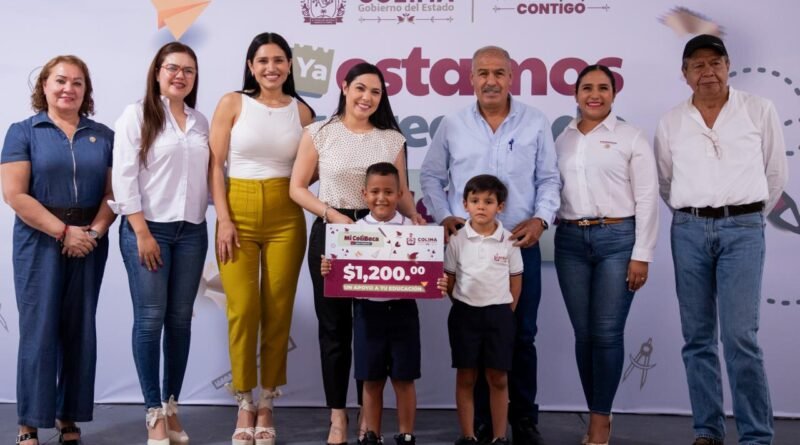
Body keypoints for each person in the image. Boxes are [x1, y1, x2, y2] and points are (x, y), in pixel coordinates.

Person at [420, 46, 560, 445]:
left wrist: (541, 219)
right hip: (468, 250)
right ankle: (481, 422)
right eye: (483, 73)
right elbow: (430, 176)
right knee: (476, 340)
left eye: (499, 73)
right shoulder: (453, 124)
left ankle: (524, 419)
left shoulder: (535, 121)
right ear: (471, 78)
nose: (491, 81)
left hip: (518, 244)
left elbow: (549, 179)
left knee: (522, 334)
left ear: (512, 77)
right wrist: (444, 215)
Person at [654, 34, 788, 445]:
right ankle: (707, 431)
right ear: (684, 74)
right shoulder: (671, 121)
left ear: (728, 66)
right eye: (698, 65)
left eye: (715, 63)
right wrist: (697, 213)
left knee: (740, 337)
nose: (707, 72)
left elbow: (775, 174)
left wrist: (744, 216)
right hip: (689, 230)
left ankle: (756, 435)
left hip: (743, 229)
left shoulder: (759, 109)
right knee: (697, 338)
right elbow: (666, 181)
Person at [290, 62, 426, 445]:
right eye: (361, 88)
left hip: (379, 236)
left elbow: (401, 192)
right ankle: (338, 415)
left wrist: (416, 219)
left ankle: (369, 416)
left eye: (376, 92)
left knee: (372, 327)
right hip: (332, 232)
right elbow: (297, 188)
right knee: (334, 329)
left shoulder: (391, 139)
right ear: (345, 87)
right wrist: (333, 216)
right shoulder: (319, 132)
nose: (367, 97)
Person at [1, 55, 115, 445]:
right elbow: (15, 195)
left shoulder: (104, 135)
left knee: (79, 329)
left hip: (90, 241)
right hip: (39, 239)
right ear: (45, 86)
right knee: (39, 330)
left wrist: (93, 233)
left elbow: (112, 194)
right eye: (61, 81)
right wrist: (64, 232)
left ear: (86, 91)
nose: (69, 88)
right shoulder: (23, 132)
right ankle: (29, 424)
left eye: (78, 82)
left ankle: (68, 416)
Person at [208, 32, 315, 445]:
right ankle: (244, 400)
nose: (271, 67)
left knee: (277, 309)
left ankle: (268, 401)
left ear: (289, 65)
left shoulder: (302, 112)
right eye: (263, 61)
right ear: (251, 66)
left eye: (279, 60)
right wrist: (224, 218)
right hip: (238, 210)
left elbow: (310, 169)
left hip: (287, 216)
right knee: (242, 309)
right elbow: (215, 165)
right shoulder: (232, 103)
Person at [109, 42, 208, 445]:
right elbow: (123, 177)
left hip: (192, 231)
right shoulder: (136, 115)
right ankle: (152, 413)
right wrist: (141, 232)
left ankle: (171, 408)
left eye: (188, 70)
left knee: (180, 321)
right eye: (172, 68)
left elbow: (208, 178)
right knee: (150, 319)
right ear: (157, 72)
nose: (180, 76)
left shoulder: (200, 121)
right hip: (148, 229)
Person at [553, 64, 658, 445]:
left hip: (618, 240)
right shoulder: (562, 139)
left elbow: (647, 197)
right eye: (586, 88)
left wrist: (642, 254)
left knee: (607, 333)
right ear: (576, 94)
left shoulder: (631, 137)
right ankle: (597, 409)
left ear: (614, 94)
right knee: (583, 335)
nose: (594, 95)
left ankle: (600, 422)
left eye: (602, 88)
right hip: (570, 241)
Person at [320, 162, 446, 445]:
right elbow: (340, 274)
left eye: (389, 192)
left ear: (401, 194)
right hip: (367, 312)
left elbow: (430, 275)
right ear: (364, 194)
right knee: (371, 378)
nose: (381, 198)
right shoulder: (352, 231)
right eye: (375, 191)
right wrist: (330, 269)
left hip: (403, 312)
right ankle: (372, 435)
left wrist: (439, 282)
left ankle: (406, 434)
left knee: (404, 378)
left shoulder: (415, 230)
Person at [444, 174, 522, 445]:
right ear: (465, 204)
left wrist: (505, 311)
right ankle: (468, 435)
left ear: (500, 206)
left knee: (498, 377)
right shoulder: (457, 240)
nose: (481, 206)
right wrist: (464, 303)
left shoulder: (509, 241)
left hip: (499, 316)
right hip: (464, 315)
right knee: (466, 376)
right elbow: (450, 281)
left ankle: (500, 437)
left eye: (488, 201)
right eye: (475, 200)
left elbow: (516, 282)